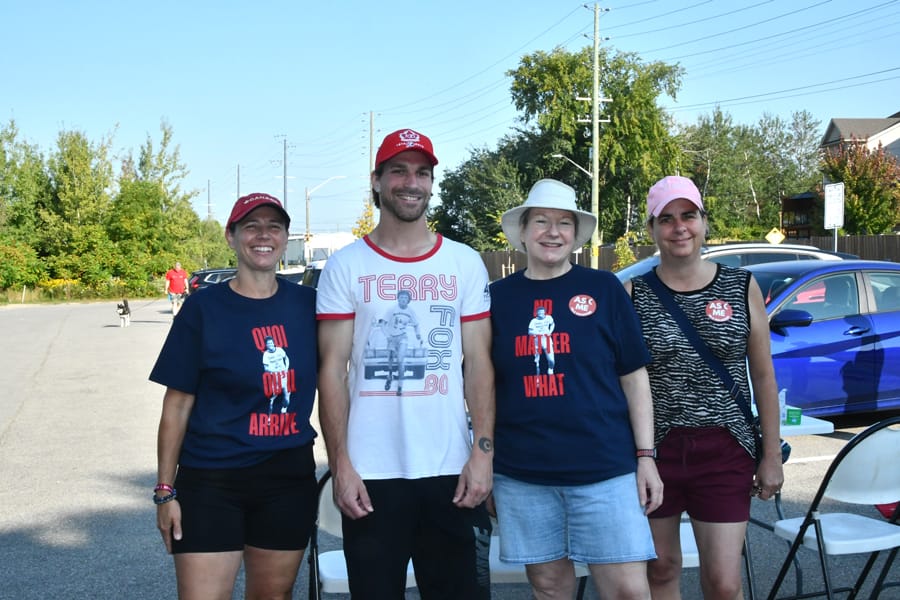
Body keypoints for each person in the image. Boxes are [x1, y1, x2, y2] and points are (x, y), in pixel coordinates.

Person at [316, 128, 495, 599]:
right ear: (376, 181)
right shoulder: (346, 266)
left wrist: (482, 453)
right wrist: (342, 466)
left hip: (450, 470)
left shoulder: (464, 262)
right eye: (398, 171)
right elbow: (332, 370)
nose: (410, 182)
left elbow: (477, 364)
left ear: (432, 183)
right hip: (371, 475)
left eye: (422, 172)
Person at [490, 178, 662, 600]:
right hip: (523, 473)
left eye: (564, 223)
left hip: (605, 468)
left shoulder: (605, 289)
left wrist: (646, 457)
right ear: (524, 231)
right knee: (549, 587)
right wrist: (485, 461)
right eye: (542, 221)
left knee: (627, 591)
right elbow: (483, 386)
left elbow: (634, 377)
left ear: (575, 234)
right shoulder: (495, 298)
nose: (553, 232)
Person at [149, 192, 319, 600]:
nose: (263, 235)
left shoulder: (310, 305)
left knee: (272, 596)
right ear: (231, 236)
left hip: (286, 476)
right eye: (251, 226)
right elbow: (178, 404)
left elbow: (339, 380)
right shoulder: (203, 308)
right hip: (211, 478)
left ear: (285, 237)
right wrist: (164, 490)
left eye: (273, 227)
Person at [624, 176, 783, 600]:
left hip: (726, 448)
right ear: (652, 229)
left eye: (688, 215)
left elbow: (764, 377)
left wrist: (771, 455)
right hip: (656, 451)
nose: (679, 227)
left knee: (724, 584)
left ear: (704, 222)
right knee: (661, 569)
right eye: (667, 218)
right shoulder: (632, 293)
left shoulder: (741, 285)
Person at [375, 288, 422, 396]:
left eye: (405, 297)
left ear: (408, 300)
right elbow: (382, 324)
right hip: (392, 337)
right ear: (398, 299)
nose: (403, 299)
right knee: (390, 359)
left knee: (401, 360)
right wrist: (387, 336)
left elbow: (416, 324)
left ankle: (400, 386)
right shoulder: (391, 309)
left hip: (403, 337)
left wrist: (418, 334)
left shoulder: (411, 311)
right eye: (401, 297)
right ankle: (390, 375)